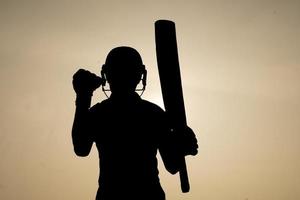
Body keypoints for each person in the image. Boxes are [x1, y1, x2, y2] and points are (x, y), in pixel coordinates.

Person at [72, 46, 198, 200]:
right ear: (140, 76)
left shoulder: (99, 113)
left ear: (107, 75)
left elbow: (81, 148)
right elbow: (172, 165)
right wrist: (183, 148)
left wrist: (83, 96)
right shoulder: (153, 113)